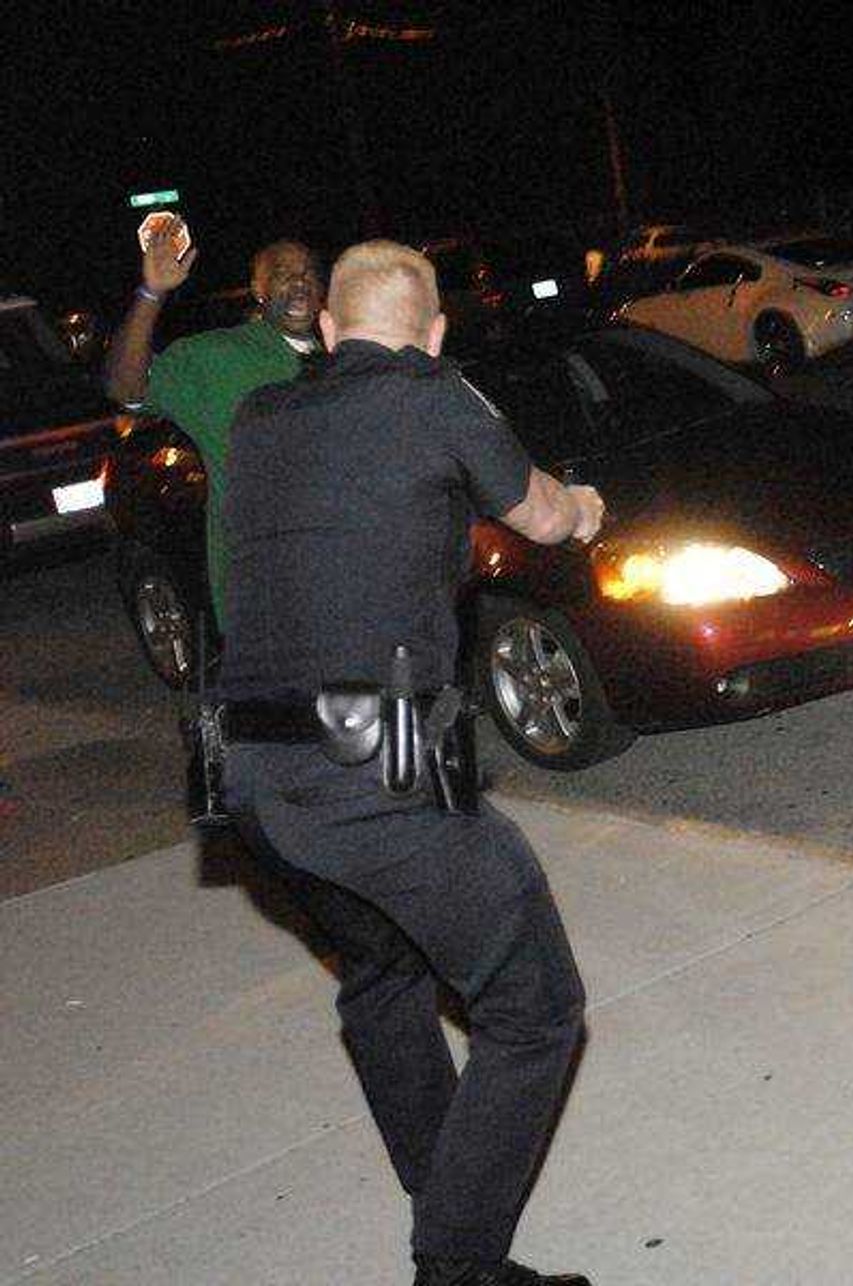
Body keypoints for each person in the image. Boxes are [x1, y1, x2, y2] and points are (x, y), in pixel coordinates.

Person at [215, 241, 606, 1286]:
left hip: (246, 773)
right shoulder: (440, 397)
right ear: (433, 335)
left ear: (331, 332)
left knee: (384, 968)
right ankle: (457, 1262)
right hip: (371, 762)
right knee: (536, 1007)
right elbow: (542, 512)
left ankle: (446, 1180)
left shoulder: (257, 418)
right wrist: (585, 505)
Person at [104, 222, 324, 625]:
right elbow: (125, 387)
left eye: (309, 272)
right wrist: (151, 293)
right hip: (268, 603)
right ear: (258, 289)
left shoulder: (348, 352)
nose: (299, 282)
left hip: (354, 594)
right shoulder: (217, 358)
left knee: (360, 689)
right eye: (282, 273)